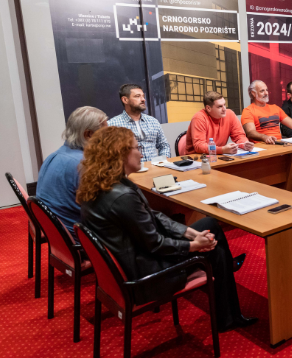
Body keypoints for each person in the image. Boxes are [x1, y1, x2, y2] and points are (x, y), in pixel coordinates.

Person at [77, 127, 256, 332]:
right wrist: (194, 246)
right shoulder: (122, 196)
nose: (141, 153)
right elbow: (155, 244)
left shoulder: (104, 185)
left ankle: (227, 307)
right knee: (217, 250)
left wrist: (188, 233)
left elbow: (152, 215)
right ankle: (228, 317)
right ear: (121, 154)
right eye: (137, 148)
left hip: (134, 259)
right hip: (147, 275)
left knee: (209, 225)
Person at [36, 106, 107, 240]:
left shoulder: (55, 155)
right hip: (78, 238)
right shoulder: (84, 164)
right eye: (105, 133)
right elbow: (104, 211)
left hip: (56, 233)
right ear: (88, 134)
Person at [242, 80, 292, 144]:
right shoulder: (248, 111)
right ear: (253, 93)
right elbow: (250, 132)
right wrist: (264, 137)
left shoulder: (275, 108)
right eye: (262, 91)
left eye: (266, 90)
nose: (266, 93)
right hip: (262, 146)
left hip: (279, 144)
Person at [108, 83, 171, 161]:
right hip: (130, 168)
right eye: (137, 96)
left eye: (143, 96)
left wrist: (163, 162)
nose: (143, 99)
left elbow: (164, 145)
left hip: (155, 167)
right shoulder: (112, 125)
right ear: (125, 100)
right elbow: (108, 154)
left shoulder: (153, 121)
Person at [185, 91, 255, 155]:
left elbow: (239, 136)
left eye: (224, 104)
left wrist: (244, 144)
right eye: (220, 106)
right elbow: (199, 146)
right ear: (208, 108)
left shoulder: (230, 114)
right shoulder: (199, 118)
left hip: (218, 155)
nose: (224, 109)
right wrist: (222, 150)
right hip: (198, 157)